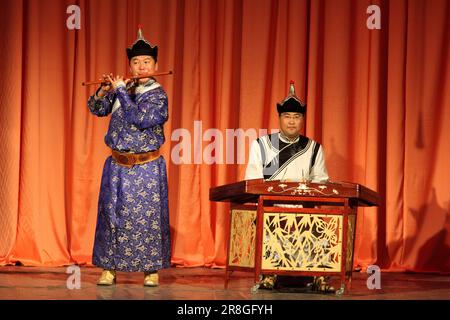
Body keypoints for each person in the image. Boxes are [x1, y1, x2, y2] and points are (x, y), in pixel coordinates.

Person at [87, 27, 171, 286]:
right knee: (111, 216)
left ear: (155, 64)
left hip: (146, 167)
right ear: (131, 66)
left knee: (147, 220)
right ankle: (109, 269)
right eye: (136, 62)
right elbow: (97, 109)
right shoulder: (125, 89)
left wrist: (121, 91)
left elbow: (139, 119)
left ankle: (150, 270)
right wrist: (103, 91)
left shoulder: (158, 96)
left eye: (146, 62)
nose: (141, 66)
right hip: (116, 165)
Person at [244, 81, 334, 292]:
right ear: (279, 119)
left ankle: (320, 276)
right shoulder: (262, 145)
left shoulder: (313, 148)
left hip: (304, 207)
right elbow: (254, 179)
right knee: (269, 221)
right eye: (287, 117)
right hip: (271, 207)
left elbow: (321, 180)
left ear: (302, 120)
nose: (292, 122)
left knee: (322, 226)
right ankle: (269, 273)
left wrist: (305, 191)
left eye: (296, 117)